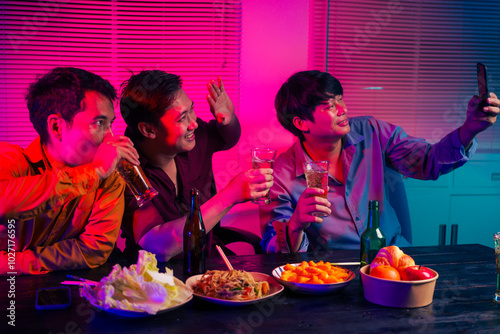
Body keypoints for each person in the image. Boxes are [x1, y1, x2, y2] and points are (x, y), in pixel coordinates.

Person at [260, 70, 499, 253]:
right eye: (331, 106)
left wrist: (470, 129)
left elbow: (427, 161)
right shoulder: (281, 173)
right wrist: (295, 225)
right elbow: (270, 245)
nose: (343, 109)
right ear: (302, 123)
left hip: (393, 258)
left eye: (341, 99)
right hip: (333, 273)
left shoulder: (371, 131)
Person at [119, 70, 273, 262]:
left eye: (191, 109)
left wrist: (228, 119)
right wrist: (229, 196)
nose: (194, 123)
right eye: (182, 118)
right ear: (149, 129)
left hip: (207, 264)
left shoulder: (192, 138)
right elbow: (156, 246)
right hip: (157, 279)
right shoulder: (127, 168)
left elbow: (228, 138)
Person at [0, 67, 140, 275]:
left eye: (110, 124)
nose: (110, 137)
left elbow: (94, 250)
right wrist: (93, 173)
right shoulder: (10, 158)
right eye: (99, 123)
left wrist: (13, 263)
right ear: (57, 127)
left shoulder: (109, 177)